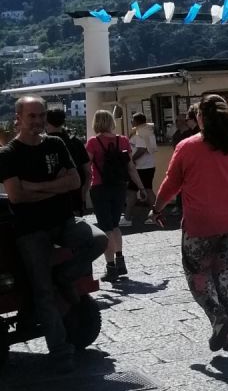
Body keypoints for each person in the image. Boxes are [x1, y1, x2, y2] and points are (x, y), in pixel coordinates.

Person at [0, 96, 106, 364]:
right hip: (31, 230)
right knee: (42, 291)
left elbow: (74, 181)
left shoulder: (56, 144)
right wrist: (52, 185)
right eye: (31, 116)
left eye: (40, 116)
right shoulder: (9, 154)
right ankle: (60, 350)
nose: (37, 121)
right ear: (18, 119)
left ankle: (64, 275)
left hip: (64, 222)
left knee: (99, 240)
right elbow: (16, 197)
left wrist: (34, 187)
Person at [150, 94, 228, 353]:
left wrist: (157, 208)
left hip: (201, 224)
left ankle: (218, 317)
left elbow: (172, 182)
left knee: (197, 275)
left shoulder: (187, 146)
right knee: (227, 274)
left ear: (201, 117)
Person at [86, 109, 148, 283]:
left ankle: (111, 267)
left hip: (100, 188)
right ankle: (121, 261)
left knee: (106, 228)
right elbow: (130, 167)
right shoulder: (123, 140)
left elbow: (86, 167)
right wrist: (141, 187)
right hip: (119, 187)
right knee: (115, 225)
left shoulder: (93, 142)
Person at [45, 107, 90, 214]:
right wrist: (83, 192)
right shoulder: (76, 142)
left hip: (50, 198)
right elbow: (88, 171)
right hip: (75, 196)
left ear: (46, 121)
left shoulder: (41, 144)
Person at [128, 111, 158, 219]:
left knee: (143, 190)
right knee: (143, 189)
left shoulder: (141, 132)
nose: (131, 121)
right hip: (147, 166)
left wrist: (131, 159)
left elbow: (142, 149)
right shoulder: (148, 131)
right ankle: (155, 214)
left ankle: (155, 214)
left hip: (142, 167)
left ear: (136, 121)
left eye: (132, 120)